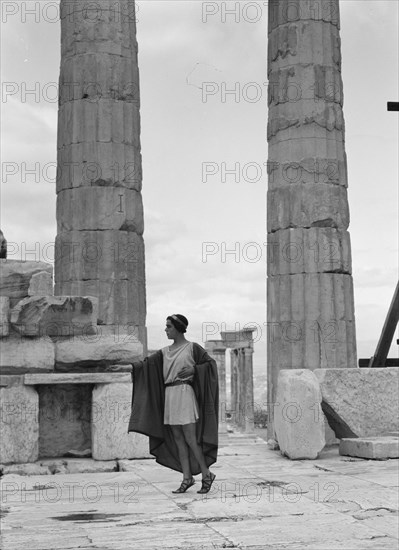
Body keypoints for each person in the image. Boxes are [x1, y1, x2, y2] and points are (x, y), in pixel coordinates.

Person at [128, 314, 219, 494]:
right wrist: (129, 366)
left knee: (191, 439)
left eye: (169, 326)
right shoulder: (163, 352)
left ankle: (207, 474)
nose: (166, 329)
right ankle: (187, 477)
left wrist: (194, 369)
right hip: (170, 395)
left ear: (178, 328)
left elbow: (210, 365)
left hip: (185, 393)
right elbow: (145, 366)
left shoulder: (192, 348)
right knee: (178, 439)